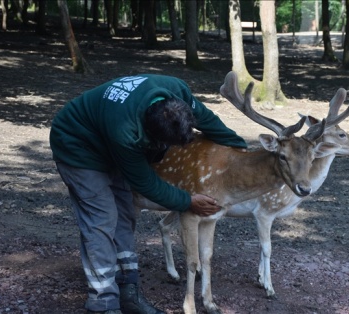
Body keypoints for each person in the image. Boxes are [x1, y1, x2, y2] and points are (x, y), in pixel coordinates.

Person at [49, 74, 247, 314]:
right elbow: (145, 182)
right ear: (148, 133)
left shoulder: (178, 91)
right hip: (78, 146)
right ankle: (103, 303)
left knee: (124, 215)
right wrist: (187, 200)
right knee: (102, 219)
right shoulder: (125, 131)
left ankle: (128, 292)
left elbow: (208, 120)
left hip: (107, 141)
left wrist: (241, 153)